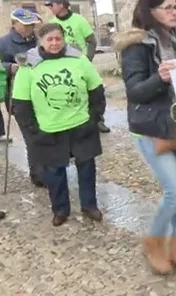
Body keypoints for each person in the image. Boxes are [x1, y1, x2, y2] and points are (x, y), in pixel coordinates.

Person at [114, 0, 176, 275]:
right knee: (174, 191)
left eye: (175, 6)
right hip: (151, 128)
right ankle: (154, 242)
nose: (174, 11)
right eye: (167, 7)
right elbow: (135, 91)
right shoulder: (136, 45)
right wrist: (161, 77)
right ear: (149, 11)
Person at [11, 23, 106, 227]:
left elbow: (96, 89)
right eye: (49, 40)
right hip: (49, 129)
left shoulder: (78, 59)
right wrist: (33, 131)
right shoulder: (29, 66)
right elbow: (21, 103)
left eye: (58, 39)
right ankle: (60, 209)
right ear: (41, 41)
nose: (54, 43)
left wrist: (94, 118)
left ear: (63, 39)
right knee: (54, 173)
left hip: (81, 125)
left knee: (87, 168)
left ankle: (89, 205)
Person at [45, 0, 110, 134]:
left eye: (51, 5)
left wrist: (88, 59)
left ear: (62, 5)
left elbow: (91, 41)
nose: (49, 8)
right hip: (64, 65)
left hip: (81, 61)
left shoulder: (79, 20)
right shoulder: (52, 23)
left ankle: (98, 120)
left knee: (95, 92)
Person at [0, 9, 42, 186]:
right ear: (14, 24)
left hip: (41, 92)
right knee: (32, 134)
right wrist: (9, 67)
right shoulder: (3, 43)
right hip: (18, 95)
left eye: (32, 25)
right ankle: (38, 174)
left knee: (45, 133)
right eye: (26, 25)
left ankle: (51, 168)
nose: (29, 29)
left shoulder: (40, 39)